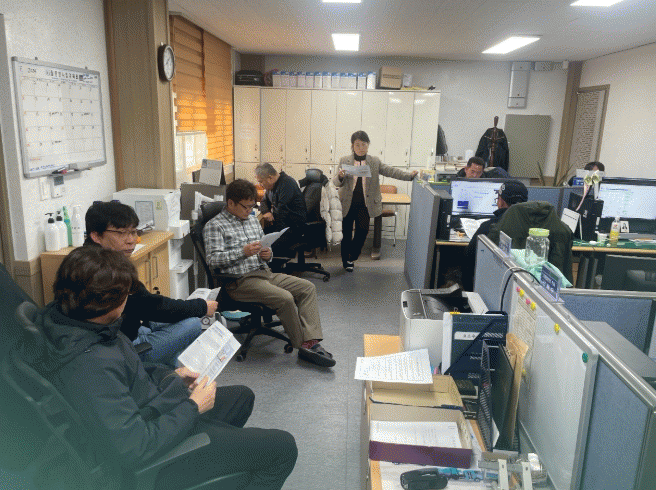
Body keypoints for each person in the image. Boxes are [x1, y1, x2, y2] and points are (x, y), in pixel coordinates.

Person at [20, 246, 297, 489]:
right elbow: (134, 447)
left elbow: (129, 369)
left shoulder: (79, 322)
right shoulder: (90, 364)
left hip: (148, 410)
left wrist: (172, 376)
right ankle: (209, 455)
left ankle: (219, 456)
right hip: (146, 456)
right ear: (113, 302)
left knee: (242, 396)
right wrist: (192, 408)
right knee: (282, 448)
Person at [204, 179, 336, 368]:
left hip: (264, 273)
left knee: (307, 288)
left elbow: (264, 247)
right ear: (231, 203)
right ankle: (303, 346)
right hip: (239, 281)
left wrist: (268, 254)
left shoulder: (251, 220)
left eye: (252, 206)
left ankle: (311, 341)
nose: (250, 211)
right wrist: (243, 252)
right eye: (246, 207)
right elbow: (213, 261)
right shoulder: (215, 226)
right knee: (285, 298)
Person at [85, 201, 216, 367]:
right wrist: (201, 307)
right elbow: (151, 306)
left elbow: (145, 303)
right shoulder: (104, 271)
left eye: (134, 232)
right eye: (121, 233)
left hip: (128, 329)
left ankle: (166, 373)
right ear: (96, 236)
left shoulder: (88, 258)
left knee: (172, 320)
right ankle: (163, 373)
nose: (131, 240)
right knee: (192, 324)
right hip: (121, 350)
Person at [333, 130, 417, 272]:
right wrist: (340, 176)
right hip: (347, 203)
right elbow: (336, 182)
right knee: (346, 234)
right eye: (357, 145)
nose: (361, 148)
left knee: (362, 231)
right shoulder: (344, 161)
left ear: (368, 145)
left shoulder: (374, 162)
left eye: (364, 144)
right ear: (352, 146)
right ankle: (345, 261)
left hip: (366, 205)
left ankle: (352, 255)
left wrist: (409, 176)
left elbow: (391, 171)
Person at [461, 180, 528, 291]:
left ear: (501, 202)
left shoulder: (489, 227)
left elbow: (468, 261)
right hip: (522, 289)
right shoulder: (534, 227)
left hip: (489, 288)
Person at [255, 162, 307, 257]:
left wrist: (275, 235)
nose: (260, 184)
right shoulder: (272, 186)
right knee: (257, 239)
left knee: (265, 248)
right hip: (282, 224)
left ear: (270, 178)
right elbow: (264, 201)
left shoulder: (287, 184)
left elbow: (282, 212)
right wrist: (266, 212)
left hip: (293, 227)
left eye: (261, 181)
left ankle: (277, 263)